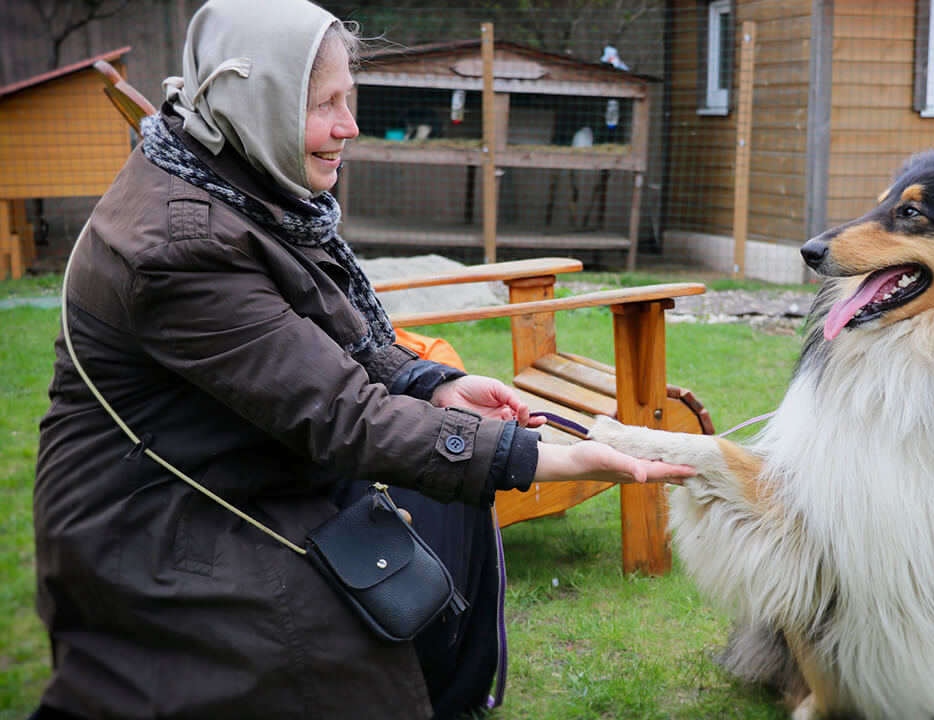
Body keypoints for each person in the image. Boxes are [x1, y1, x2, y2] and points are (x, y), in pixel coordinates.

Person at [30, 1, 693, 718]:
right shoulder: (179, 246)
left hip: (233, 463)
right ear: (258, 102)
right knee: (331, 650)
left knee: (439, 516)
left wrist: (432, 382)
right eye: (326, 105)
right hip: (153, 523)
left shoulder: (241, 177)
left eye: (351, 99)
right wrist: (536, 459)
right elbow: (342, 415)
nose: (350, 126)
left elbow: (334, 340)